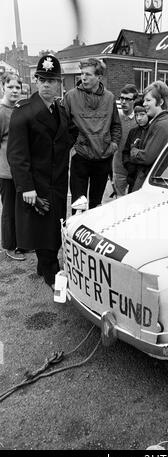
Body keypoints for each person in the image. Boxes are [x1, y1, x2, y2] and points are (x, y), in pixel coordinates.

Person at [7, 55, 73, 289]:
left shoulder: (60, 110)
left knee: (54, 226)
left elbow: (66, 136)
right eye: (42, 79)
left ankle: (43, 264)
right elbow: (16, 155)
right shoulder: (23, 112)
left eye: (51, 80)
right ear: (35, 81)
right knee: (44, 231)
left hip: (56, 183)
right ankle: (51, 273)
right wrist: (26, 187)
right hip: (37, 185)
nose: (46, 84)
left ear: (59, 83)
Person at [63, 58, 122, 209]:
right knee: (78, 206)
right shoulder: (70, 97)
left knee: (96, 206)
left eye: (88, 74)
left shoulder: (109, 98)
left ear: (99, 77)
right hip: (81, 157)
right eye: (82, 74)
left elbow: (116, 125)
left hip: (103, 158)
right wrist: (73, 148)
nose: (83, 77)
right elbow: (63, 126)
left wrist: (113, 145)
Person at [128, 81, 168, 191]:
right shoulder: (157, 122)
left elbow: (147, 157)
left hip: (150, 184)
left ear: (160, 102)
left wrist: (133, 150)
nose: (144, 104)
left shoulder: (162, 125)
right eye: (144, 100)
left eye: (148, 100)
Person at [0, 72, 25, 261]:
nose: (15, 90)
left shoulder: (20, 109)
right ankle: (9, 245)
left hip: (20, 170)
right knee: (9, 210)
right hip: (6, 171)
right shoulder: (1, 111)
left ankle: (21, 243)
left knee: (21, 209)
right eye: (11, 87)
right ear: (3, 87)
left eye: (18, 87)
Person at [112, 84, 139, 197]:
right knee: (119, 201)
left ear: (134, 101)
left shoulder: (140, 119)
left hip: (135, 169)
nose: (123, 102)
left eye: (127, 99)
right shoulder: (116, 117)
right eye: (121, 98)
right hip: (118, 168)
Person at [122, 98, 149, 193]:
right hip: (132, 179)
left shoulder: (152, 131)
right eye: (136, 115)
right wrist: (128, 164)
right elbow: (125, 151)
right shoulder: (133, 132)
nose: (139, 118)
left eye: (142, 114)